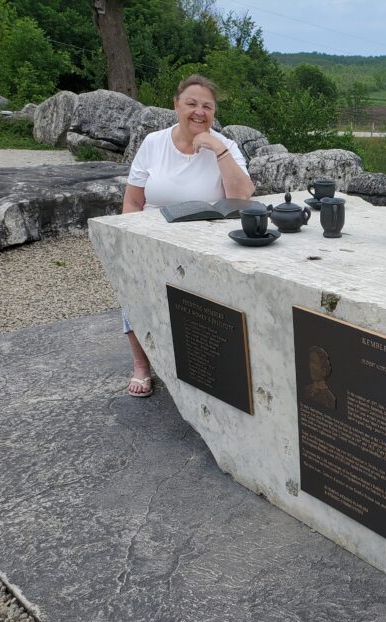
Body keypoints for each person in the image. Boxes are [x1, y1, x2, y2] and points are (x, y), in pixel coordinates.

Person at [121, 74, 255, 396]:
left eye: (207, 106)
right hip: (153, 236)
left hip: (205, 241)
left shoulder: (227, 146)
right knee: (133, 286)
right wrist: (130, 238)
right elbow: (133, 200)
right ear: (176, 105)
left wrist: (218, 148)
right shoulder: (154, 143)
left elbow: (242, 198)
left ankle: (205, 363)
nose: (199, 112)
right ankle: (141, 364)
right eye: (192, 103)